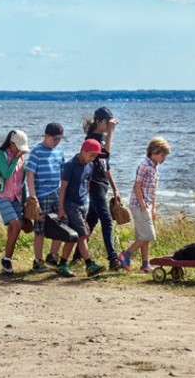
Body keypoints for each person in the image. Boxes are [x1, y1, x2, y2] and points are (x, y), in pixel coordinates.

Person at [72, 107, 122, 271]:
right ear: (99, 121)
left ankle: (77, 256)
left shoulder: (101, 137)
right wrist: (111, 133)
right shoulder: (92, 139)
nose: (109, 126)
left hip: (102, 184)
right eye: (108, 123)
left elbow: (106, 165)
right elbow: (106, 154)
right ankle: (113, 259)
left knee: (91, 221)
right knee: (106, 221)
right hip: (94, 184)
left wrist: (115, 188)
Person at [118, 137, 171, 273]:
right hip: (138, 204)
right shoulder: (144, 166)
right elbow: (137, 186)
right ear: (154, 152)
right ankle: (125, 255)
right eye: (162, 154)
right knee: (149, 235)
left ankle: (145, 264)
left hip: (147, 204)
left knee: (144, 236)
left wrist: (153, 208)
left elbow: (152, 191)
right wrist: (142, 205)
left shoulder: (155, 168)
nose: (164, 157)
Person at [56, 139, 107, 278]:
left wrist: (87, 204)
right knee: (83, 235)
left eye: (96, 155)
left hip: (83, 204)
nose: (93, 158)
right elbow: (63, 188)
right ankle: (89, 264)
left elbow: (87, 185)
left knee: (74, 237)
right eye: (91, 154)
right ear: (83, 151)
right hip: (70, 204)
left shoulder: (90, 166)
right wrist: (61, 208)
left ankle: (62, 264)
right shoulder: (70, 166)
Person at [25, 123, 65, 272]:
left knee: (63, 225)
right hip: (42, 195)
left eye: (59, 139)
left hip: (57, 192)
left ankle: (52, 256)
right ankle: (38, 261)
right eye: (54, 139)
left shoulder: (59, 151)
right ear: (46, 136)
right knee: (40, 229)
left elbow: (63, 173)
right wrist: (33, 196)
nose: (57, 141)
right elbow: (30, 175)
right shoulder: (37, 152)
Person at [0, 130, 29, 274]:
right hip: (2, 195)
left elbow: (22, 182)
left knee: (17, 227)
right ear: (12, 143)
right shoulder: (0, 155)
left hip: (17, 197)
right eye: (18, 146)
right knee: (15, 224)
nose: (20, 150)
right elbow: (7, 174)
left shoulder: (21, 158)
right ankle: (7, 259)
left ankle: (7, 260)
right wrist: (15, 160)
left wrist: (25, 202)